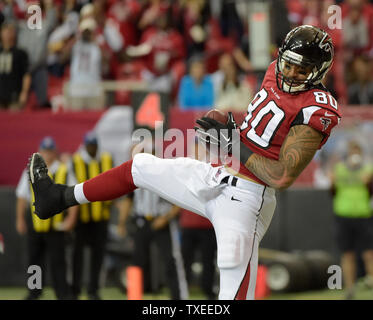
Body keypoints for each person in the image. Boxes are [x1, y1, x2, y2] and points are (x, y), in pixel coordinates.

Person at [28, 25, 341, 300]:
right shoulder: (274, 69)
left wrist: (230, 140)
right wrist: (232, 122)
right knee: (140, 167)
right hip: (215, 175)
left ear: (318, 71)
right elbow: (261, 128)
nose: (289, 72)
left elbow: (282, 175)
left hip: (247, 199)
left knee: (231, 295)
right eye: (287, 63)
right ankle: (57, 197)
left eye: (300, 69)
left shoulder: (317, 106)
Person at [16, 136, 78, 300]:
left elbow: (74, 195)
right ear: (40, 151)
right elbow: (22, 196)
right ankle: (34, 292)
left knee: (58, 261)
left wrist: (71, 219)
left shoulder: (63, 169)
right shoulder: (30, 171)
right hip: (36, 224)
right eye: (45, 151)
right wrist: (20, 219)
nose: (48, 155)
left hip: (56, 225)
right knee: (34, 260)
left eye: (50, 151)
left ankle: (62, 294)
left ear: (54, 152)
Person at [69, 131, 114, 300]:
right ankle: (75, 289)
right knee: (77, 255)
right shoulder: (75, 161)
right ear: (84, 145)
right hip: (81, 218)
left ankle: (93, 290)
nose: (92, 149)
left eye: (94, 145)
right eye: (89, 145)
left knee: (98, 255)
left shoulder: (107, 159)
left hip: (101, 217)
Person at [329, 140, 373, 299]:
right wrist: (332, 182)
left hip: (363, 214)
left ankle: (371, 281)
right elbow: (332, 192)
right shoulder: (339, 170)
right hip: (343, 215)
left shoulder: (368, 170)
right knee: (348, 254)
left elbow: (370, 192)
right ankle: (350, 289)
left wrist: (369, 182)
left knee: (369, 253)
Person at [0, 21, 31, 110]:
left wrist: (24, 92)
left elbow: (26, 74)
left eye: (10, 31)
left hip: (14, 95)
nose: (7, 34)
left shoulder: (20, 53)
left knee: (14, 122)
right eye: (5, 31)